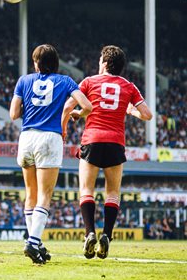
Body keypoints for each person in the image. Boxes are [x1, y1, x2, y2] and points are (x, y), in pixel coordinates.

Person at [62, 45, 152, 259]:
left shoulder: (89, 82)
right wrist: (131, 111)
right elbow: (147, 114)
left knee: (86, 189)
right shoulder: (129, 86)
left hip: (92, 140)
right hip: (115, 142)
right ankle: (107, 235)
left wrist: (65, 126)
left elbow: (67, 107)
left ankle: (89, 233)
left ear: (104, 63)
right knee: (112, 193)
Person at [10, 44, 92, 264]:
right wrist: (77, 113)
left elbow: (13, 113)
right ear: (56, 62)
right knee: (45, 195)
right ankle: (33, 241)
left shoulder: (24, 80)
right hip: (49, 138)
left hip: (26, 136)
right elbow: (87, 105)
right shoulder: (65, 81)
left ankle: (35, 243)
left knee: (30, 193)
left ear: (36, 63)